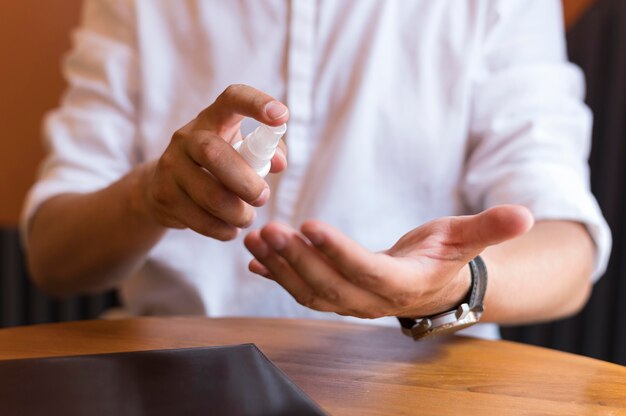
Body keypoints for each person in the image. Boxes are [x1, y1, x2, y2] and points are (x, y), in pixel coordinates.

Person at [21, 0, 610, 339]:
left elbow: (568, 253)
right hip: (170, 375)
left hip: (415, 384)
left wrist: (449, 287)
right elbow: (52, 257)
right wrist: (147, 199)